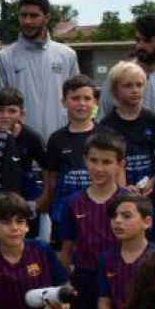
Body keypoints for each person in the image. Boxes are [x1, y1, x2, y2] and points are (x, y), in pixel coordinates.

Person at [53, 130, 128, 309]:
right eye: (94, 160)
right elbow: (66, 250)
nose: (99, 168)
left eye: (106, 162)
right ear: (85, 160)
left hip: (123, 280)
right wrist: (63, 286)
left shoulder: (130, 202)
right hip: (84, 280)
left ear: (120, 164)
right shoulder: (73, 203)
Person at [67, 194, 153, 309]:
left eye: (126, 216)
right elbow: (104, 302)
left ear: (147, 222)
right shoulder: (107, 258)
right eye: (114, 216)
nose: (118, 221)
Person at [0, 0, 78, 143]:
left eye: (33, 16)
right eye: (23, 15)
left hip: (61, 142)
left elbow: (76, 100)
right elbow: (0, 107)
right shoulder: (4, 57)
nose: (27, 21)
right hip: (21, 144)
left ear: (47, 18)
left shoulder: (67, 55)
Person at [100, 60, 155, 199]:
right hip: (119, 195)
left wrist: (153, 181)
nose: (135, 90)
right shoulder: (106, 126)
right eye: (128, 86)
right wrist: (122, 187)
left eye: (139, 85)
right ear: (115, 90)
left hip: (153, 193)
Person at [98, 13, 155, 122]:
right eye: (138, 40)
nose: (140, 46)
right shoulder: (118, 74)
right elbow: (102, 117)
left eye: (147, 41)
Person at [42, 75, 100, 216]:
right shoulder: (56, 139)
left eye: (87, 98)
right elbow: (52, 179)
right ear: (64, 102)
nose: (81, 103)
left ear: (95, 102)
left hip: (98, 210)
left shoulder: (105, 136)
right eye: (75, 98)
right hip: (65, 211)